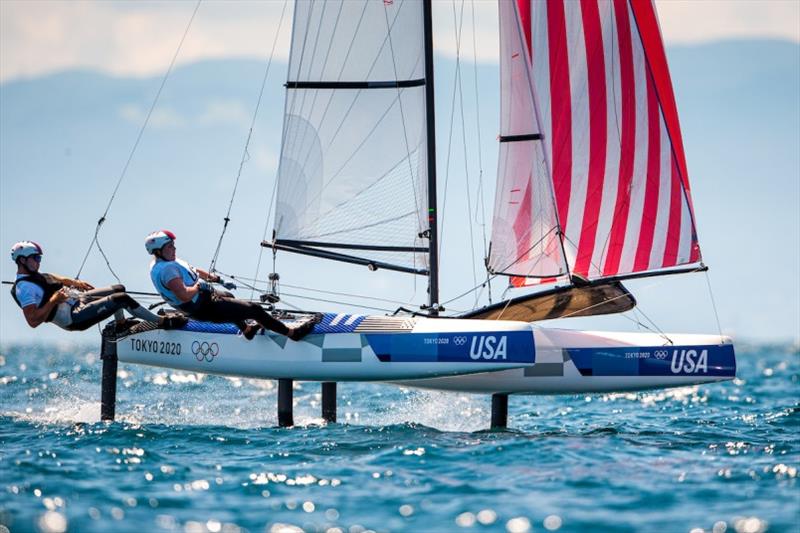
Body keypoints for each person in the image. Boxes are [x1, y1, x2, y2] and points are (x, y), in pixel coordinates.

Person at [145, 230, 316, 341]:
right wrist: (199, 288)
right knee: (254, 309)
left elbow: (192, 270)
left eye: (173, 245)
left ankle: (247, 329)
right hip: (202, 308)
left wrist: (217, 280)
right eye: (169, 246)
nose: (174, 248)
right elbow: (183, 294)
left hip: (204, 301)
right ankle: (292, 334)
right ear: (158, 250)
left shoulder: (166, 262)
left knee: (229, 297)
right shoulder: (167, 270)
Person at [9, 241, 182, 331]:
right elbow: (32, 321)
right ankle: (162, 322)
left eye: (40, 258)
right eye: (35, 258)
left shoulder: (35, 275)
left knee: (118, 288)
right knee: (120, 299)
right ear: (22, 260)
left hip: (78, 301)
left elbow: (54, 278)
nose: (39, 262)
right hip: (72, 317)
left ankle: (121, 324)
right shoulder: (24, 289)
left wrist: (76, 283)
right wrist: (55, 299)